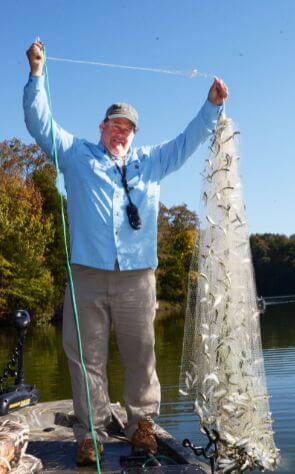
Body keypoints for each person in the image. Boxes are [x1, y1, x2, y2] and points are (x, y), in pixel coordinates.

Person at [22, 41, 229, 466]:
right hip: (86, 274)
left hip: (137, 276)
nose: (121, 132)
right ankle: (91, 434)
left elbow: (188, 141)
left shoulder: (151, 162)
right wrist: (37, 74)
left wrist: (211, 106)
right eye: (115, 125)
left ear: (135, 135)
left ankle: (142, 427)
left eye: (128, 128)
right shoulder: (77, 155)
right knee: (85, 358)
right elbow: (40, 123)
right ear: (102, 127)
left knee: (142, 355)